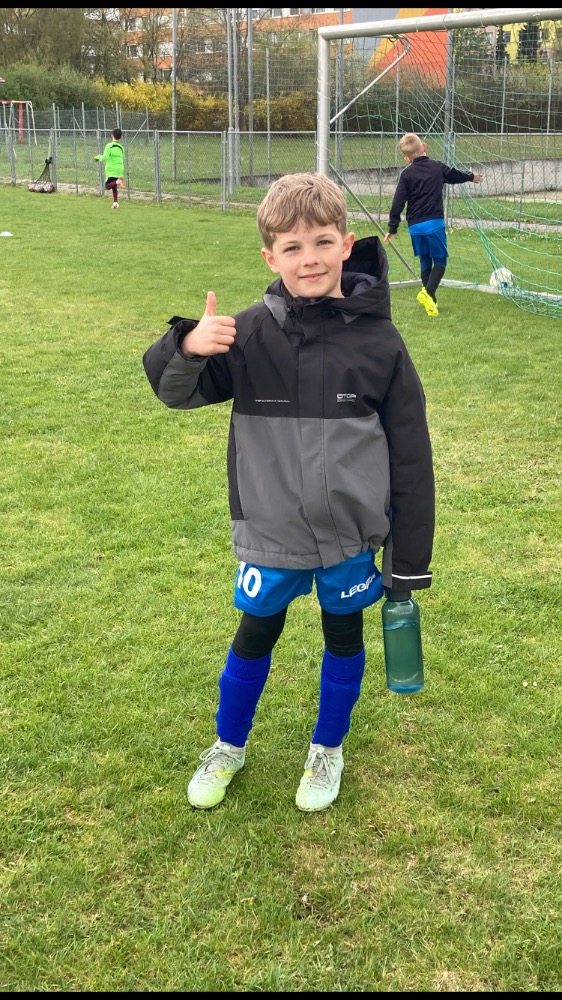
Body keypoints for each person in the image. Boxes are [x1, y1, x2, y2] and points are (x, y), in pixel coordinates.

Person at [143, 172, 435, 813]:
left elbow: (411, 457)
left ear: (347, 245)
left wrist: (408, 564)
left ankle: (327, 749)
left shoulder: (381, 343)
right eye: (292, 247)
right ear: (269, 257)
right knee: (253, 637)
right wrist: (186, 345)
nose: (310, 259)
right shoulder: (247, 334)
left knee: (343, 640)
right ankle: (228, 745)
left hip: (348, 540)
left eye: (323, 242)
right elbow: (172, 391)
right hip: (271, 535)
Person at [384, 132, 482, 317]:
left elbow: (398, 202)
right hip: (433, 224)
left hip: (415, 227)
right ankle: (427, 292)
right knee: (440, 261)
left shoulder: (406, 174)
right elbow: (454, 175)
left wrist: (393, 227)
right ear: (424, 147)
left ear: (407, 158)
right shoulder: (437, 167)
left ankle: (432, 303)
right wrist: (471, 176)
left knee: (425, 260)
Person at [95, 128, 125, 209]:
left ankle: (118, 181)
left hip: (111, 169)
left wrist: (98, 157)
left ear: (112, 135)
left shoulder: (109, 146)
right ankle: (115, 203)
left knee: (107, 186)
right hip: (119, 169)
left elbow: (105, 157)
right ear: (120, 137)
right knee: (114, 186)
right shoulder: (121, 147)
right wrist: (121, 173)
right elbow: (122, 158)